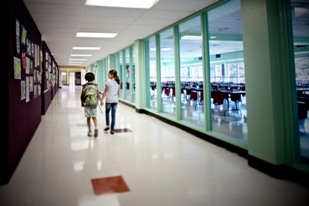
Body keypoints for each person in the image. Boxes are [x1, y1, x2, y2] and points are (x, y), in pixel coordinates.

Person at [100, 69, 120, 135]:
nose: (108, 75)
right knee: (113, 115)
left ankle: (107, 126)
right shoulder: (118, 82)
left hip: (109, 100)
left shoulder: (108, 81)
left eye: (109, 74)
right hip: (115, 100)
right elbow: (118, 92)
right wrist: (117, 99)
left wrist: (102, 99)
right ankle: (112, 129)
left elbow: (105, 91)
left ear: (112, 75)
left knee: (107, 113)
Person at [81, 72, 100, 137]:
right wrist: (100, 101)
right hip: (94, 103)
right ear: (93, 78)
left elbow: (82, 96)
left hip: (87, 103)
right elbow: (98, 94)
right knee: (94, 117)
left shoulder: (84, 86)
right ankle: (96, 127)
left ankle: (89, 131)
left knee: (88, 117)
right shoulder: (96, 85)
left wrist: (82, 103)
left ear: (86, 78)